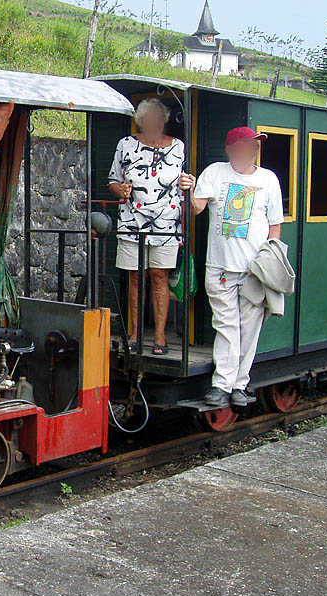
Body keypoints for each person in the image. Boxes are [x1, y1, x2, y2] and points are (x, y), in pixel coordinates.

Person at [190, 126, 285, 408]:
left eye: (253, 146)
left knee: (250, 328)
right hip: (220, 266)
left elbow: (275, 226)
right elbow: (196, 209)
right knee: (227, 326)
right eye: (244, 146)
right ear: (230, 149)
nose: (250, 150)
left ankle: (239, 385)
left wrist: (270, 261)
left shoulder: (268, 179)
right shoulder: (215, 172)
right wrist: (190, 189)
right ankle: (222, 384)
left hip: (255, 270)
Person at [108, 97, 196, 355]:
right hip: (132, 220)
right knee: (136, 278)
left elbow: (186, 180)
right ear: (141, 121)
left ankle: (159, 337)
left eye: (157, 120)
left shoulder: (178, 147)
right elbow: (113, 180)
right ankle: (135, 334)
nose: (153, 124)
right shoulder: (125, 145)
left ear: (164, 121)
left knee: (160, 277)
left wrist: (188, 183)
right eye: (148, 120)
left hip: (166, 223)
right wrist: (119, 189)